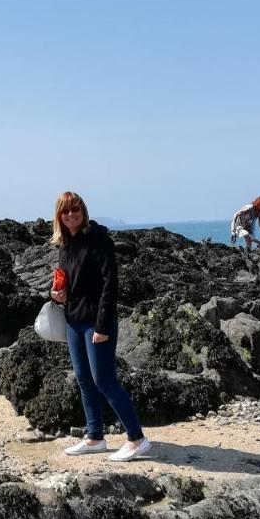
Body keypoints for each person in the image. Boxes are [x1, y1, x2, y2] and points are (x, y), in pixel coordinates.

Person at [50, 191, 150, 462]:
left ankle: (137, 439)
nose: (71, 215)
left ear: (83, 211)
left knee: (104, 380)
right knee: (84, 379)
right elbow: (66, 282)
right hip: (73, 320)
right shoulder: (65, 244)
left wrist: (102, 326)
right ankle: (94, 437)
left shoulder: (99, 239)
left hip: (96, 322)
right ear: (59, 215)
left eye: (75, 209)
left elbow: (110, 285)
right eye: (65, 211)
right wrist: (56, 294)